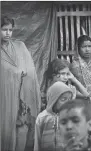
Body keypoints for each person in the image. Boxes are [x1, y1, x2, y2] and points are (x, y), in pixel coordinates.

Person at [1, 16, 41, 151]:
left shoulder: (19, 46)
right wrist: (15, 73)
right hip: (3, 98)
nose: (8, 33)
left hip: (20, 95)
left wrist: (21, 74)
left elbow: (30, 70)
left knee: (22, 126)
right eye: (4, 30)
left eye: (10, 30)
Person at [34, 81, 73, 151]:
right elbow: (37, 142)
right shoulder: (42, 118)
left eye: (69, 99)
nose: (67, 102)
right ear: (53, 100)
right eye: (63, 99)